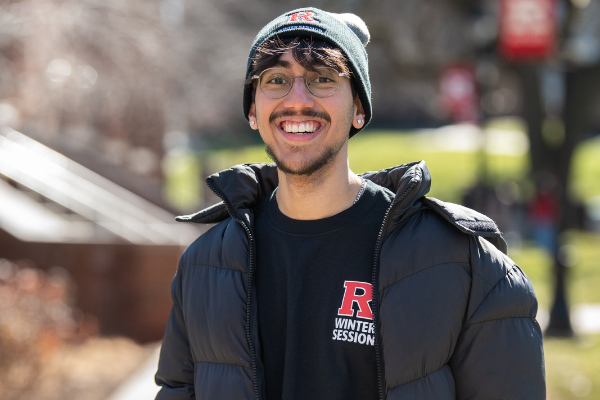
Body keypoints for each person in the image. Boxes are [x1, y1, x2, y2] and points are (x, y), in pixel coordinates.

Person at [155, 7, 545, 400]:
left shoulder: (465, 265)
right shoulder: (205, 269)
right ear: (253, 110)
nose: (297, 100)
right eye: (276, 80)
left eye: (322, 78)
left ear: (359, 108)